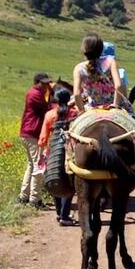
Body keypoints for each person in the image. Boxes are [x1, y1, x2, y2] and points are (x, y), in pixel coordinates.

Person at [39, 88, 78, 225]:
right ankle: (65, 216)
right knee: (69, 182)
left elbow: (43, 138)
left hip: (52, 151)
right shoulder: (74, 113)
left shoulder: (50, 114)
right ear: (68, 99)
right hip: (70, 152)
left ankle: (58, 213)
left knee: (54, 178)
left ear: (56, 99)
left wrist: (41, 154)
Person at [19, 73, 52, 208]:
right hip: (32, 134)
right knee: (38, 166)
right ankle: (35, 199)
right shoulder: (35, 95)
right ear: (37, 83)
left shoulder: (33, 93)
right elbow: (48, 110)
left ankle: (24, 196)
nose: (46, 86)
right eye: (44, 84)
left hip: (27, 134)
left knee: (31, 165)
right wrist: (51, 96)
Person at [72, 34, 123, 112]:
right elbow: (119, 86)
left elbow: (76, 94)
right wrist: (115, 106)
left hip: (92, 109)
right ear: (101, 49)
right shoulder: (110, 61)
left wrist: (82, 111)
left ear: (84, 49)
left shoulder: (78, 68)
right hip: (111, 106)